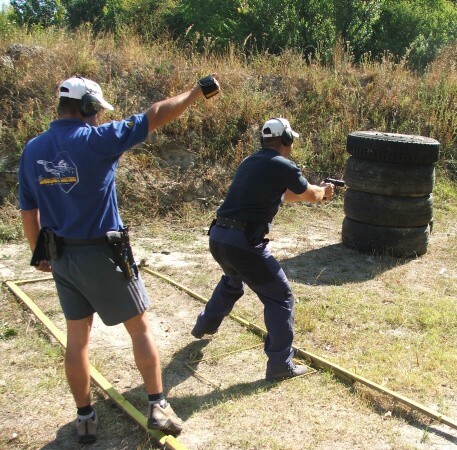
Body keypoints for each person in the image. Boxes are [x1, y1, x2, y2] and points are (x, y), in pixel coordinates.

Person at [18, 74, 220, 443]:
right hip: (104, 253)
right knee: (139, 327)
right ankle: (158, 405)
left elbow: (28, 213)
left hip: (63, 258)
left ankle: (85, 418)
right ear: (89, 107)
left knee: (77, 339)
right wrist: (193, 93)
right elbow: (155, 115)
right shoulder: (97, 140)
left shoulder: (32, 150)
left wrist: (40, 255)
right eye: (96, 110)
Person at [191, 117, 335, 381]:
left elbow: (283, 195)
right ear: (287, 140)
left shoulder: (250, 162)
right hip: (243, 242)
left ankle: (204, 325)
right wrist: (324, 192)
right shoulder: (283, 165)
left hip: (219, 237)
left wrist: (316, 191)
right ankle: (281, 365)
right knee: (281, 297)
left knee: (233, 280)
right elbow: (311, 196)